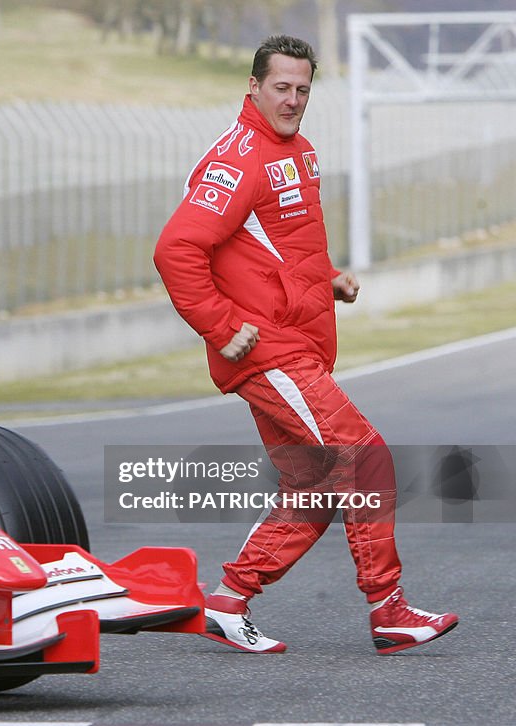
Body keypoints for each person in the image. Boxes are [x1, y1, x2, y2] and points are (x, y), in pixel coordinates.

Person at [153, 36, 457, 654]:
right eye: (281, 88)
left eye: (302, 90)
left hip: (302, 343)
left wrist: (329, 276)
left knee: (316, 486)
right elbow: (175, 250)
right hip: (266, 351)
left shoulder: (298, 151)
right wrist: (219, 324)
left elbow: (282, 247)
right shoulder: (238, 159)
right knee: (364, 459)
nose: (292, 100)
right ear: (254, 86)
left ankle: (229, 600)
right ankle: (389, 609)